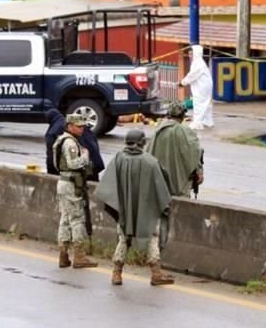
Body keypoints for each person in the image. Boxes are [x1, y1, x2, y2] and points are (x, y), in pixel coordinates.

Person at [94, 129, 174, 286]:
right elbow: (162, 188)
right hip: (146, 210)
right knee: (152, 237)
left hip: (124, 209)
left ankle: (116, 273)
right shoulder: (150, 162)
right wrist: (163, 206)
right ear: (142, 142)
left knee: (123, 239)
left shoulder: (118, 159)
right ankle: (156, 273)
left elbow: (108, 185)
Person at [51, 113, 98, 269]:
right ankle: (79, 256)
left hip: (64, 182)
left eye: (83, 126)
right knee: (77, 219)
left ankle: (63, 255)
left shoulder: (62, 139)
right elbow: (72, 163)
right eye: (79, 126)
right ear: (70, 126)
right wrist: (85, 157)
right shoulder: (70, 143)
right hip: (71, 183)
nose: (82, 129)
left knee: (65, 219)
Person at [147, 101, 204, 198]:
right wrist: (199, 172)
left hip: (159, 185)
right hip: (180, 183)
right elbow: (195, 154)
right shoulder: (187, 132)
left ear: (168, 115)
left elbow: (147, 154)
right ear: (182, 116)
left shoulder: (157, 132)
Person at [181, 45, 214, 130]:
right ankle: (208, 121)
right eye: (189, 54)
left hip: (202, 87)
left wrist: (182, 82)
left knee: (198, 103)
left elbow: (192, 76)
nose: (190, 56)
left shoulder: (198, 63)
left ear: (196, 54)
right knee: (206, 104)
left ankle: (197, 123)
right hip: (204, 86)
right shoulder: (197, 62)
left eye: (191, 54)